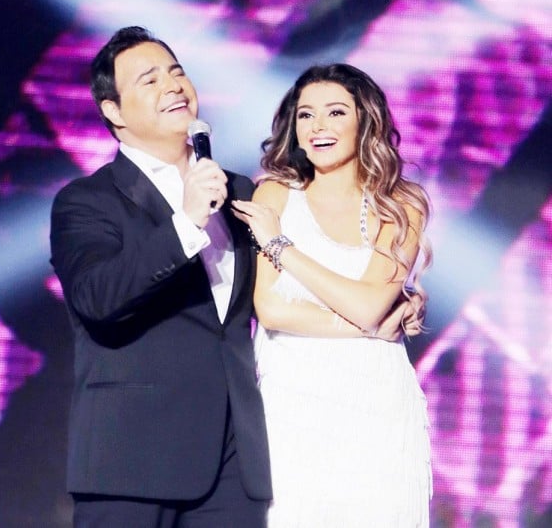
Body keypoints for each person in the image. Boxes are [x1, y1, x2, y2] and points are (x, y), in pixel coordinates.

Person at [49, 26, 273, 527]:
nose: (173, 86)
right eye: (149, 80)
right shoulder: (87, 201)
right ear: (113, 111)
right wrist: (185, 222)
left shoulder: (240, 191)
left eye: (176, 73)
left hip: (234, 463)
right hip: (132, 459)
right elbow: (98, 297)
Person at [232, 63, 433, 526]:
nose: (318, 126)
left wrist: (280, 246)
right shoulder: (274, 196)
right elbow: (271, 309)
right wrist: (369, 326)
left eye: (336, 112)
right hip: (293, 405)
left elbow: (369, 305)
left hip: (376, 405)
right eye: (306, 115)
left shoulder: (401, 204)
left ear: (365, 121)